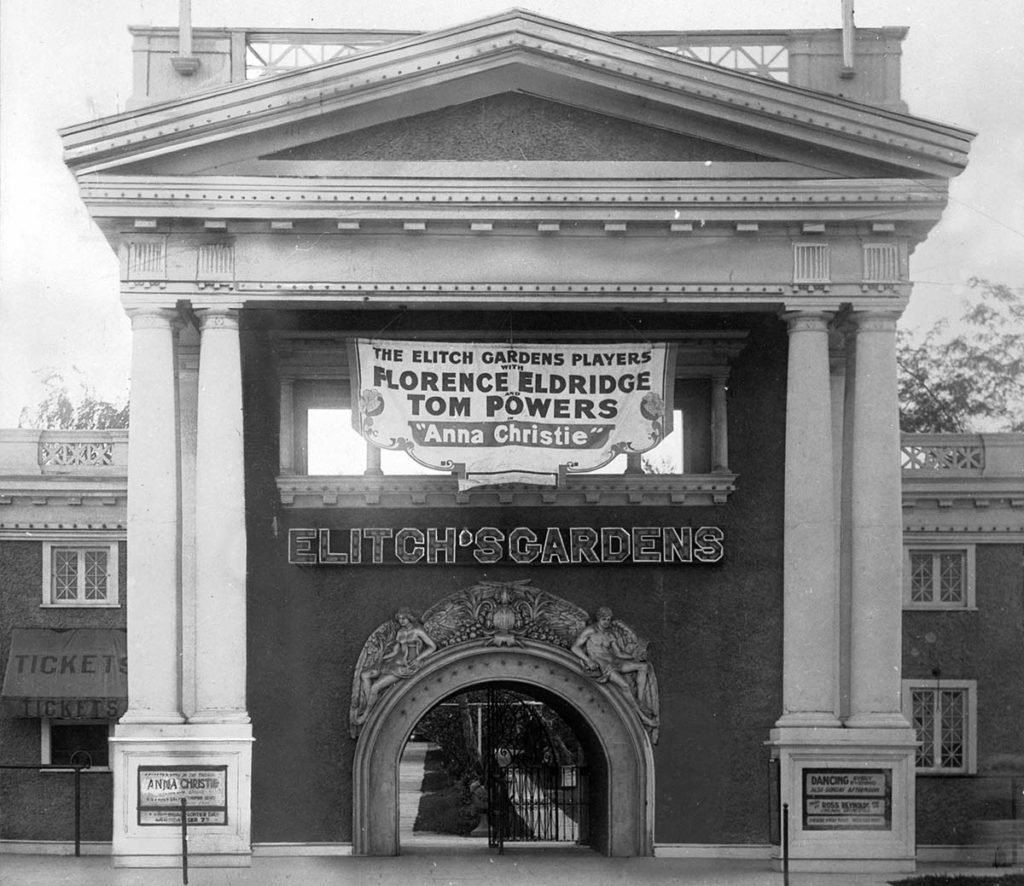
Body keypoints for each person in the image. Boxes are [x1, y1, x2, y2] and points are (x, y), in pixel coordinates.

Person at [571, 607, 657, 728]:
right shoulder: (590, 631)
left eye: (609, 619)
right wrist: (588, 660)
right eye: (604, 619)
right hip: (602, 665)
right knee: (625, 686)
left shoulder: (609, 634)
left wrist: (634, 657)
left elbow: (618, 653)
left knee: (643, 667)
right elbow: (575, 647)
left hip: (613, 662)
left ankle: (639, 701)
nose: (607, 622)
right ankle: (642, 718)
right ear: (598, 619)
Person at [354, 609, 436, 723]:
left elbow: (432, 647)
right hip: (393, 662)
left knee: (375, 687)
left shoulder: (418, 631)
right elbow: (396, 650)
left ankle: (366, 715)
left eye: (404, 618)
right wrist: (383, 657)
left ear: (410, 617)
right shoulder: (400, 632)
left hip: (405, 667)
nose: (401, 621)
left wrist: (418, 659)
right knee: (364, 675)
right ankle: (374, 707)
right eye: (399, 619)